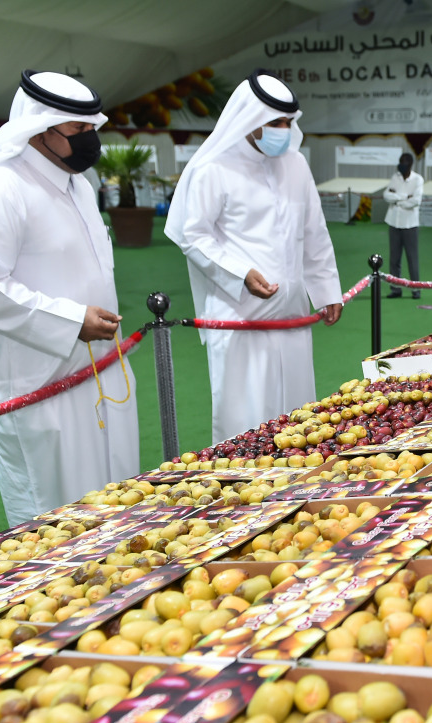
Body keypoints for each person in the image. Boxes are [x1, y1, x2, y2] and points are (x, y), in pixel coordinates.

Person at [0, 70, 138, 524]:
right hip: (38, 380)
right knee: (56, 516)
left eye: (93, 130)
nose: (90, 141)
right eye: (77, 131)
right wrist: (70, 321)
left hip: (100, 370)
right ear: (38, 128)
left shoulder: (79, 185)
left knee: (118, 504)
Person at [166, 70, 342, 445]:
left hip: (293, 318)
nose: (282, 129)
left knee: (301, 424)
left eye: (287, 122)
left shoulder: (296, 164)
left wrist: (327, 289)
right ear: (249, 120)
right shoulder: (213, 168)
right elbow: (191, 234)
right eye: (273, 122)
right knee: (245, 427)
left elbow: (314, 231)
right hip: (239, 319)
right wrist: (240, 273)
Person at [383, 152, 424, 299]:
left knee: (412, 259)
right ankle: (395, 289)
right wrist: (404, 197)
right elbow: (386, 195)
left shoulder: (418, 179)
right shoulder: (395, 177)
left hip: (410, 225)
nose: (401, 165)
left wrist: (396, 199)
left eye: (404, 163)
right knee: (394, 259)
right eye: (400, 162)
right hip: (394, 223)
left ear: (410, 164)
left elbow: (416, 201)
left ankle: (416, 290)